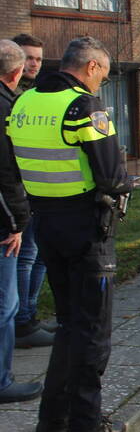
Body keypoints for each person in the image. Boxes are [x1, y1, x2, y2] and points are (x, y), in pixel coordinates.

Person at [8, 36, 132, 432]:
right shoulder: (84, 107)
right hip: (86, 229)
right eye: (103, 76)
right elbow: (111, 177)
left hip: (46, 223)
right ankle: (86, 424)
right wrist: (125, 183)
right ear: (92, 67)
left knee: (67, 325)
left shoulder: (24, 102)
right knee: (92, 329)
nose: (101, 84)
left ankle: (52, 421)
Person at [0, 40, 42, 404]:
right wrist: (15, 223)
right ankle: (1, 381)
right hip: (4, 223)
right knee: (5, 304)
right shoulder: (5, 108)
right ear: (15, 72)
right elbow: (5, 174)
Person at [10, 34, 53, 349]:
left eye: (38, 59)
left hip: (39, 190)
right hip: (18, 193)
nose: (33, 64)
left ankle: (30, 315)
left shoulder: (34, 94)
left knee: (38, 255)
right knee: (26, 256)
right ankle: (22, 323)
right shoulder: (11, 98)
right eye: (28, 58)